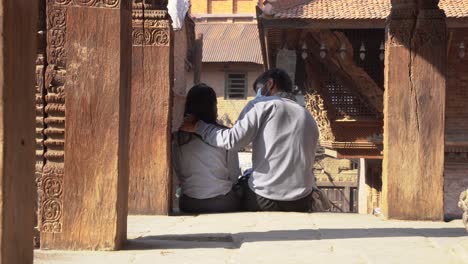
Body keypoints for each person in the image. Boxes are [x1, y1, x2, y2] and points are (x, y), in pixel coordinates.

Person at [180, 68, 320, 212]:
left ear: (270, 84)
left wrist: (198, 127)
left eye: (258, 90)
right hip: (301, 200)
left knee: (242, 184)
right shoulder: (308, 116)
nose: (257, 95)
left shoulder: (260, 105)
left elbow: (232, 141)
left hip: (264, 199)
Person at [173, 84, 241, 213]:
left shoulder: (177, 138)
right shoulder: (224, 135)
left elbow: (178, 173)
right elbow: (233, 176)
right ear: (214, 106)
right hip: (224, 203)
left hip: (189, 203)